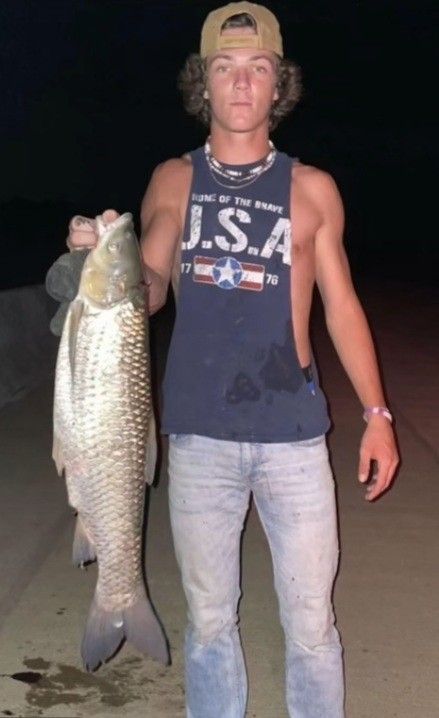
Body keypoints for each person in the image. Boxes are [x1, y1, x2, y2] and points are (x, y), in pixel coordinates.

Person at [63, 3, 399, 716]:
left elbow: (341, 309)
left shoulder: (312, 190)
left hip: (295, 439)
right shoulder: (172, 182)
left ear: (279, 86)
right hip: (198, 436)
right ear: (202, 85)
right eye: (225, 68)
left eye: (258, 69)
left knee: (311, 626)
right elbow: (147, 287)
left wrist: (376, 415)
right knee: (211, 624)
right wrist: (101, 264)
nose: (241, 83)